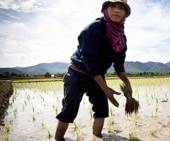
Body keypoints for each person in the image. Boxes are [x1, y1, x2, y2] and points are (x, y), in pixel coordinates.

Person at [54, 0, 132, 141]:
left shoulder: (121, 38)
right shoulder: (92, 29)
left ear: (125, 14)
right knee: (69, 110)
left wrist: (127, 82)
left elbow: (119, 65)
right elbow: (89, 62)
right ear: (105, 9)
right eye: (113, 6)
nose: (117, 10)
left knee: (102, 109)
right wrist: (105, 88)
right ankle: (58, 139)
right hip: (78, 73)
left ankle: (97, 137)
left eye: (121, 8)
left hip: (98, 76)